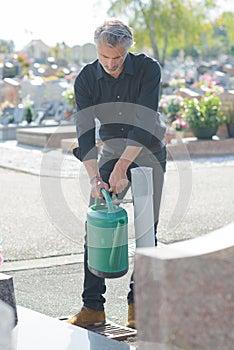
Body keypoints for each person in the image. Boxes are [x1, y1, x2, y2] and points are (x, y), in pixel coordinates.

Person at [67, 18, 167, 329]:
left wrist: (124, 167)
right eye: (105, 57)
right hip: (110, 149)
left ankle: (139, 307)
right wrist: (96, 178)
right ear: (96, 50)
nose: (112, 64)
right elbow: (84, 133)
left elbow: (145, 119)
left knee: (146, 230)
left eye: (118, 57)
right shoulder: (85, 79)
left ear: (127, 50)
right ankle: (92, 307)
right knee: (96, 223)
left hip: (148, 150)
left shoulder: (149, 69)